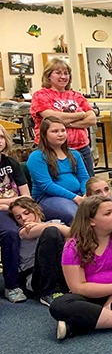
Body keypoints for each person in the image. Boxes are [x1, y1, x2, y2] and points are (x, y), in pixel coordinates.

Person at [48, 196, 112, 340]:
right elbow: (78, 287)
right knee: (59, 305)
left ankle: (78, 325)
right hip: (88, 298)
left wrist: (107, 306)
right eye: (107, 213)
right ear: (91, 221)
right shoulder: (72, 246)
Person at [30, 58, 97, 176]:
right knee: (62, 183)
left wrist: (67, 123)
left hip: (81, 148)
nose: (63, 76)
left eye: (66, 73)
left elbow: (92, 119)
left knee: (89, 183)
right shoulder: (41, 95)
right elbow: (50, 117)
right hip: (51, 150)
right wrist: (80, 115)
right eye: (58, 73)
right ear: (48, 75)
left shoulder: (76, 95)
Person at [27, 116, 89, 224]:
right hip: (48, 198)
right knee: (74, 213)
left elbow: (84, 178)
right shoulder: (37, 157)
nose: (60, 134)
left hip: (79, 195)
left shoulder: (74, 154)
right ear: (44, 134)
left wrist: (85, 194)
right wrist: (75, 198)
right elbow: (47, 185)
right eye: (55, 131)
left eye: (63, 130)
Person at [8, 197, 70, 305]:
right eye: (18, 217)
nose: (24, 218)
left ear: (36, 209)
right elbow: (50, 230)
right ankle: (49, 292)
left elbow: (75, 234)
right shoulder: (22, 231)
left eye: (27, 213)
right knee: (51, 232)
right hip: (35, 277)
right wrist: (56, 227)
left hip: (61, 270)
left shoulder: (55, 223)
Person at [0, 125, 33, 302]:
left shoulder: (11, 163)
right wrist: (9, 204)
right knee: (11, 233)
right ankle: (12, 286)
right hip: (6, 211)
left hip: (17, 207)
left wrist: (9, 205)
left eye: (1, 137)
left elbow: (26, 196)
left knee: (50, 226)